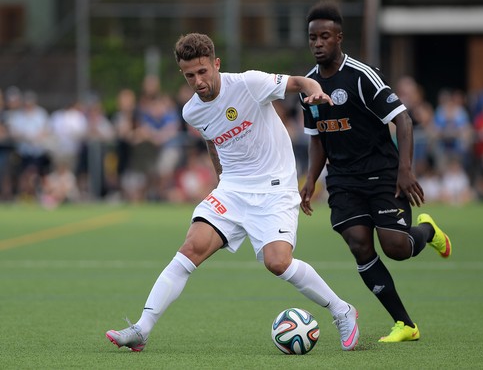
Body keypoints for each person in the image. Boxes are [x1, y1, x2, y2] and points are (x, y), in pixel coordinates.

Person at [105, 32, 359, 352]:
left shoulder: (249, 83)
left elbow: (298, 82)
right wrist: (222, 180)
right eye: (189, 76)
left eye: (202, 71)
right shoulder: (191, 112)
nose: (197, 81)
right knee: (190, 248)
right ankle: (142, 329)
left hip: (274, 187)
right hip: (233, 190)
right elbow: (213, 140)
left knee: (277, 262)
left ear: (216, 64)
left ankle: (341, 309)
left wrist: (316, 91)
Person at [299, 2, 452, 344]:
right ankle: (405, 324)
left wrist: (405, 169)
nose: (318, 43)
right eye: (312, 38)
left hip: (381, 172)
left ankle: (426, 230)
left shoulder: (362, 75)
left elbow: (403, 119)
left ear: (339, 37)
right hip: (342, 180)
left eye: (325, 36)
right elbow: (317, 138)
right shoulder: (308, 86)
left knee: (396, 247)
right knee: (359, 243)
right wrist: (310, 181)